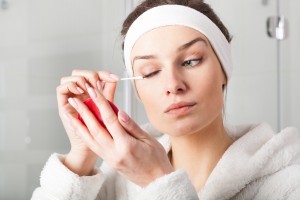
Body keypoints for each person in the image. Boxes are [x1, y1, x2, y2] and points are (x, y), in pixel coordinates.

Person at [32, 0, 300, 199]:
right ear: (137, 90)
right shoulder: (118, 182)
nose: (173, 85)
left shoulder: (289, 182)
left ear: (224, 70)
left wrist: (158, 181)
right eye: (150, 72)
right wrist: (82, 156)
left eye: (191, 61)